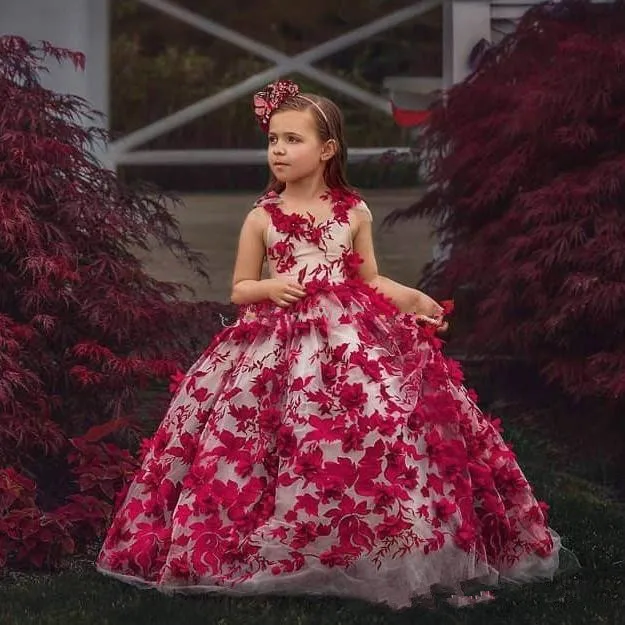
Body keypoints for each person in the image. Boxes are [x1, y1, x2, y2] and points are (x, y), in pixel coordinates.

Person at [96, 79, 562, 609]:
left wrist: (415, 300)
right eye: (273, 139)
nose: (278, 150)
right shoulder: (262, 217)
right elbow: (240, 287)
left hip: (349, 340)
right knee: (273, 437)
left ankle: (371, 542)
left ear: (327, 149)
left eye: (293, 139)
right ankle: (278, 543)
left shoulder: (353, 212)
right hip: (278, 341)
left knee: (376, 427)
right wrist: (270, 287)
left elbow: (370, 280)